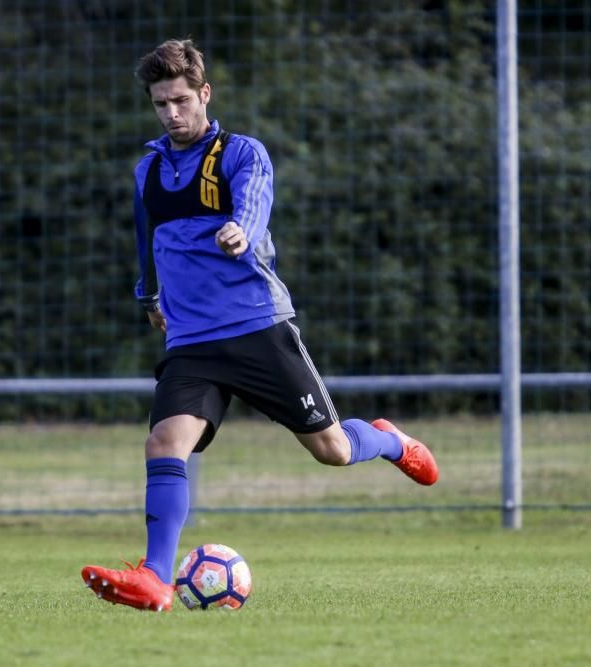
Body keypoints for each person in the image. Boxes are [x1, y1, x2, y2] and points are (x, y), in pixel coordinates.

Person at [80, 38, 438, 612]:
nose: (172, 114)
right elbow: (145, 243)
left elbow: (253, 204)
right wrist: (148, 296)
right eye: (160, 104)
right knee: (164, 443)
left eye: (180, 101)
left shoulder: (242, 153)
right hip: (191, 339)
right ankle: (153, 575)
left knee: (333, 451)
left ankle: (389, 440)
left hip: (254, 326)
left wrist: (240, 231)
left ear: (204, 94)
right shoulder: (147, 171)